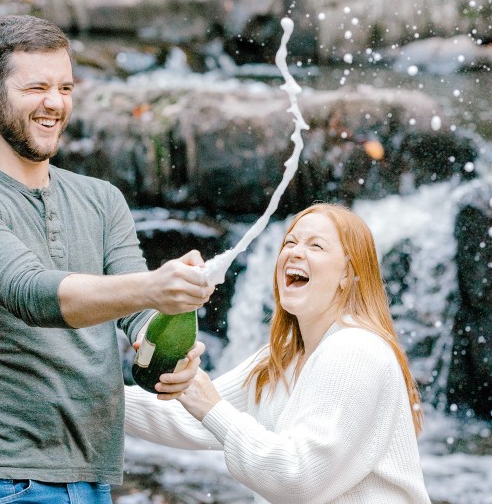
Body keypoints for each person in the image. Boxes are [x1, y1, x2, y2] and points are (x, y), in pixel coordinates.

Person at [0, 14, 213, 504]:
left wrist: (165, 342)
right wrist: (154, 287)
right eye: (37, 87)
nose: (55, 103)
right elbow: (33, 293)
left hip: (92, 471)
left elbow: (139, 311)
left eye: (65, 87)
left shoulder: (102, 199)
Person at [124, 203, 432, 504]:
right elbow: (184, 418)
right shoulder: (281, 358)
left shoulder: (356, 351)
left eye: (316, 246)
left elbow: (299, 479)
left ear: (348, 275)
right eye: (290, 242)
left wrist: (210, 406)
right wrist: (86, 390)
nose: (295, 252)